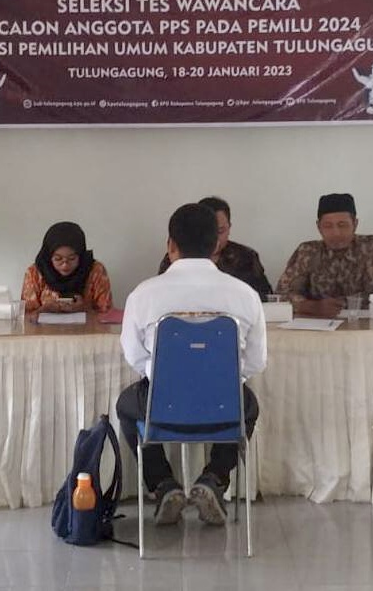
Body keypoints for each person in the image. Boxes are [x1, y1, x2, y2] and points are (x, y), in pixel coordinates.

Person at [117, 203, 267, 526]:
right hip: (224, 408)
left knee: (126, 406)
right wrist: (222, 382)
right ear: (216, 245)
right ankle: (214, 478)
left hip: (162, 408)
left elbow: (133, 354)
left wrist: (163, 379)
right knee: (249, 406)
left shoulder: (143, 295)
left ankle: (163, 485)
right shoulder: (244, 295)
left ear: (171, 245)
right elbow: (256, 360)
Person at [276, 193, 373, 318]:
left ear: (355, 224)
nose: (336, 233)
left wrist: (339, 304)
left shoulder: (369, 247)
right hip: (315, 323)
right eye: (328, 226)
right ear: (319, 227)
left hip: (359, 322)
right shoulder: (307, 251)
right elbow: (281, 295)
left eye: (342, 225)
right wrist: (313, 307)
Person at [157, 196, 272, 300]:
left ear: (229, 227)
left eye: (220, 231)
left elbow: (266, 297)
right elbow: (162, 293)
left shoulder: (246, 257)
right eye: (209, 232)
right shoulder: (178, 256)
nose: (215, 238)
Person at [21, 222, 112, 314]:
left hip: (88, 324)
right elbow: (24, 316)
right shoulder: (34, 274)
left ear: (80, 255)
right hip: (43, 324)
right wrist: (43, 310)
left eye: (72, 258)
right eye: (58, 259)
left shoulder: (95, 271)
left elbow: (108, 314)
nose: (65, 265)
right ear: (49, 257)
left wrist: (85, 309)